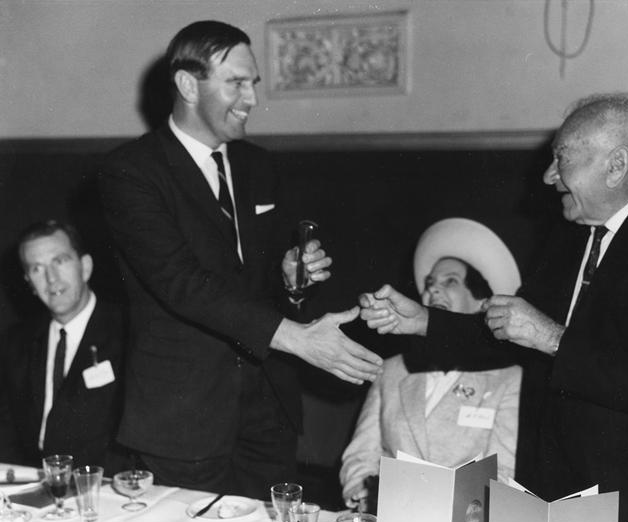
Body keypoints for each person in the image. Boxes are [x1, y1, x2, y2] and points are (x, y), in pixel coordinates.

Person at [359, 92, 628, 522]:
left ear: (616, 165)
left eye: (561, 159)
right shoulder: (569, 235)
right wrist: (423, 322)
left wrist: (552, 338)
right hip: (564, 501)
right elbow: (507, 333)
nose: (547, 176)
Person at [97, 21, 382, 497]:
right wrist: (299, 340)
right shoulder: (131, 173)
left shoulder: (258, 166)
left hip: (268, 410)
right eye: (237, 83)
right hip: (183, 417)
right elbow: (180, 283)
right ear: (188, 84)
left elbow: (259, 279)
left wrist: (291, 276)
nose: (251, 99)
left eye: (254, 84)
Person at [340, 218, 523, 510]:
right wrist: (363, 492)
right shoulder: (391, 370)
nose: (433, 291)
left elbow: (505, 472)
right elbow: (362, 454)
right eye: (429, 284)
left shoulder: (509, 379)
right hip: (389, 520)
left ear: (483, 301)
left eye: (450, 281)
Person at [0, 220, 127, 473]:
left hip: (106, 487)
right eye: (37, 268)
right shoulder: (16, 343)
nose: (51, 278)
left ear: (86, 267)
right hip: (35, 487)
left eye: (60, 261)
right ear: (29, 282)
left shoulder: (129, 332)